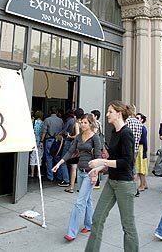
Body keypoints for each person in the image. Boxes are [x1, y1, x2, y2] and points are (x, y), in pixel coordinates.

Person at [86, 101, 138, 252]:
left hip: (124, 184)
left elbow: (127, 162)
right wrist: (100, 168)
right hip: (112, 182)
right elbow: (115, 159)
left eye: (110, 112)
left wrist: (101, 161)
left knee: (127, 225)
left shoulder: (126, 133)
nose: (107, 114)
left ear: (119, 113)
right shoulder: (114, 132)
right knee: (97, 219)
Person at [52, 114, 102, 241]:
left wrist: (95, 174)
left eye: (85, 122)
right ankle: (89, 225)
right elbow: (70, 152)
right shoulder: (79, 137)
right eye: (81, 122)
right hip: (80, 171)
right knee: (88, 200)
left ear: (91, 123)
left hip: (90, 172)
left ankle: (71, 232)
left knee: (80, 202)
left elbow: (98, 158)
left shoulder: (95, 138)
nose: (82, 124)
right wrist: (59, 163)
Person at [40, 107, 69, 184]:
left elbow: (44, 132)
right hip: (58, 141)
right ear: (56, 112)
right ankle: (59, 176)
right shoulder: (60, 120)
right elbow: (63, 130)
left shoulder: (47, 120)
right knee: (58, 158)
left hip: (49, 140)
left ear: (50, 112)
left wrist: (41, 141)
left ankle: (50, 176)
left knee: (49, 158)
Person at [62, 109, 81, 192]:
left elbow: (77, 135)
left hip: (75, 146)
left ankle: (71, 187)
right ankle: (80, 187)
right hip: (82, 146)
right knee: (79, 167)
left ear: (75, 116)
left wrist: (69, 136)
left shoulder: (77, 123)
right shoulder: (85, 123)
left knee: (73, 167)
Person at [135, 113, 149, 192]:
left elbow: (144, 141)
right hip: (140, 148)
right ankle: (145, 183)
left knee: (141, 168)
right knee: (140, 167)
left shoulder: (142, 128)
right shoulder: (139, 127)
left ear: (142, 120)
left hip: (141, 148)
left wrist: (144, 151)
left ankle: (142, 184)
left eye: (137, 118)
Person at [91, 109, 103, 189]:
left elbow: (94, 134)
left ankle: (96, 182)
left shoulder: (95, 124)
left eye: (92, 115)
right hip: (98, 145)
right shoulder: (99, 123)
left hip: (95, 146)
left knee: (95, 163)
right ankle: (97, 181)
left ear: (95, 116)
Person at [29, 111, 44, 178]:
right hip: (40, 142)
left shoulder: (33, 122)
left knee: (32, 156)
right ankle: (38, 173)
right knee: (39, 157)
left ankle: (32, 173)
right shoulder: (43, 123)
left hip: (33, 141)